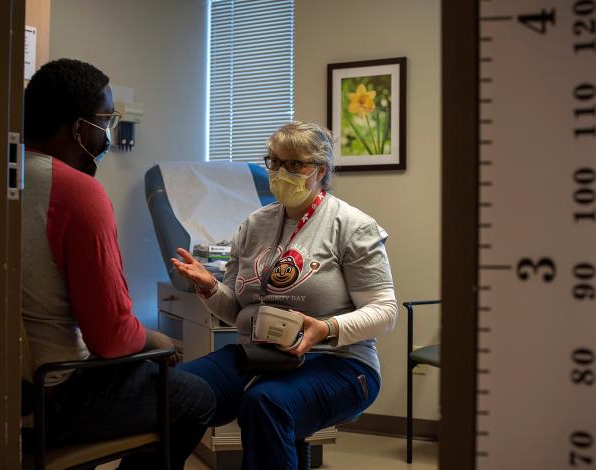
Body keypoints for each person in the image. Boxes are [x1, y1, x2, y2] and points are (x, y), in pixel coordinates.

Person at [22, 58, 215, 470]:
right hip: (55, 390)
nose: (107, 133)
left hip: (7, 386)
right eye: (105, 120)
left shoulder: (0, 175)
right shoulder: (78, 193)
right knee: (196, 397)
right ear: (78, 129)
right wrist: (158, 341)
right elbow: (111, 337)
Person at [172, 121, 398, 470]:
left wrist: (325, 328)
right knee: (179, 390)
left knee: (265, 403)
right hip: (259, 354)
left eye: (295, 164)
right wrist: (210, 287)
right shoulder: (254, 225)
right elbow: (237, 310)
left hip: (340, 362)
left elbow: (384, 311)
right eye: (274, 162)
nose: (280, 172)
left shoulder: (352, 226)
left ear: (320, 170)